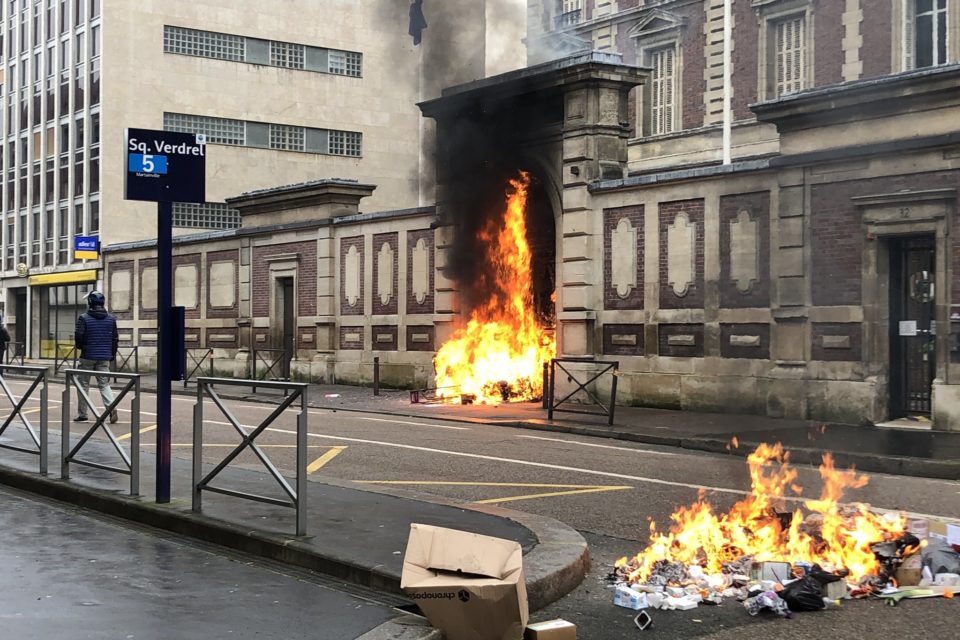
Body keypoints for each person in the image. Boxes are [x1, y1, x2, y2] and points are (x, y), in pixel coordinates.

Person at [74, 290, 119, 423]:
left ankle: (83, 414)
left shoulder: (84, 318)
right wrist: (111, 355)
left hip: (87, 355)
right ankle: (111, 408)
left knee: (83, 385)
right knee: (104, 384)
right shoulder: (111, 319)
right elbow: (115, 339)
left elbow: (79, 337)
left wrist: (82, 347)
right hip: (104, 356)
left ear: (90, 303)